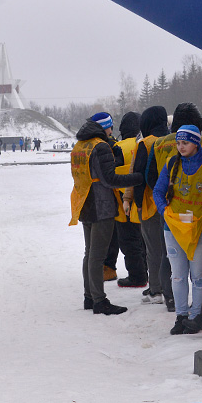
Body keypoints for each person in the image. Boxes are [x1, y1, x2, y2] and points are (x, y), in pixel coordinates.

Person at [70, 112, 143, 315]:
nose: (112, 130)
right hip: (101, 206)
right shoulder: (100, 146)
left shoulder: (80, 146)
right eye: (110, 126)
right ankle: (99, 300)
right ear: (106, 127)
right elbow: (110, 179)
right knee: (97, 256)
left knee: (89, 253)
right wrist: (137, 178)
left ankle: (89, 296)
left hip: (83, 203)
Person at [153, 125, 202, 335]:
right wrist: (164, 211)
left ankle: (196, 315)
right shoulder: (172, 163)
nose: (181, 147)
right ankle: (181, 316)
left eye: (186, 143)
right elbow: (158, 191)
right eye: (179, 143)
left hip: (197, 228)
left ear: (196, 143)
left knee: (198, 276)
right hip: (173, 227)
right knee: (178, 276)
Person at [125, 106, 172, 307]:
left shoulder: (145, 144)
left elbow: (137, 175)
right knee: (170, 249)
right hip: (172, 203)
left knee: (153, 249)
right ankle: (170, 288)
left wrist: (131, 200)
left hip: (150, 204)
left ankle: (156, 290)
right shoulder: (172, 141)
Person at [109, 112, 148, 289]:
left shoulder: (118, 147)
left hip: (123, 203)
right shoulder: (145, 144)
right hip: (144, 201)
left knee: (129, 242)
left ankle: (137, 277)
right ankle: (147, 272)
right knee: (145, 240)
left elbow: (111, 176)